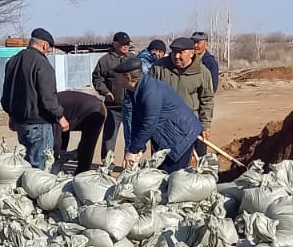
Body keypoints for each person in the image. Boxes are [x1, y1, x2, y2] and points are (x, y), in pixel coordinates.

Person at [118, 58, 203, 172]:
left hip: (179, 136)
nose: (115, 79)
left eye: (118, 75)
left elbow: (149, 123)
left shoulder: (150, 92)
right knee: (162, 173)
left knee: (174, 177)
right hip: (165, 136)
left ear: (128, 77)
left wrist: (133, 150)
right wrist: (136, 148)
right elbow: (136, 121)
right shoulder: (134, 90)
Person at [1, 28, 68, 169]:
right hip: (39, 124)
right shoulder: (41, 64)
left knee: (26, 164)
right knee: (40, 169)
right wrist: (60, 116)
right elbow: (48, 97)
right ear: (45, 45)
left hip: (20, 123)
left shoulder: (13, 61)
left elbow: (7, 94)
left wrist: (11, 116)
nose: (47, 52)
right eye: (48, 49)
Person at [151, 37, 215, 148]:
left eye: (181, 52)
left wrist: (205, 125)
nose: (176, 56)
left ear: (191, 53)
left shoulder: (202, 72)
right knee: (164, 161)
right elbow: (149, 95)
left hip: (192, 122)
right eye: (174, 52)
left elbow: (207, 99)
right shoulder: (158, 68)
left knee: (197, 158)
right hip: (164, 123)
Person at [92, 31, 135, 167]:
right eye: (123, 44)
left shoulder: (133, 59)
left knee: (132, 138)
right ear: (115, 44)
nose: (126, 46)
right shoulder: (105, 61)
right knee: (109, 138)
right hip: (113, 107)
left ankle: (130, 166)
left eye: (128, 44)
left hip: (131, 106)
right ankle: (107, 165)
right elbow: (97, 78)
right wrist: (105, 91)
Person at [54, 90, 107, 174]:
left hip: (93, 110)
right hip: (93, 106)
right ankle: (81, 170)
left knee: (88, 144)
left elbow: (57, 138)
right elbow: (62, 133)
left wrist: (56, 156)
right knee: (87, 143)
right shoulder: (53, 104)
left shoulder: (50, 108)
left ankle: (82, 173)